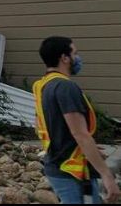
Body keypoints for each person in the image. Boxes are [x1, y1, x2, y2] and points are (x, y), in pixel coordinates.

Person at [33, 36, 120, 204]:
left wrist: (91, 150)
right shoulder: (65, 87)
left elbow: (52, 127)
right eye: (75, 53)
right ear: (64, 58)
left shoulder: (43, 85)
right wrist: (106, 175)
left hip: (58, 166)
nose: (78, 58)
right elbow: (80, 134)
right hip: (70, 172)